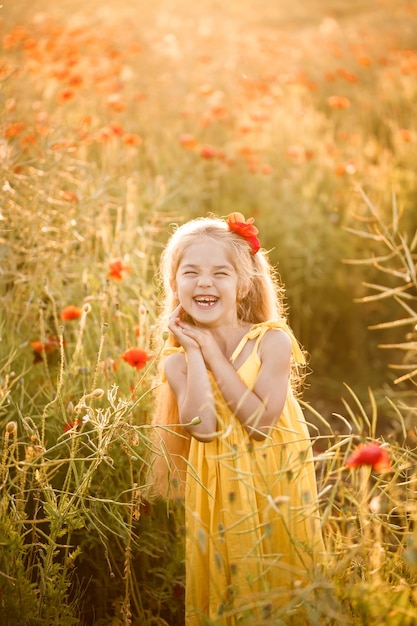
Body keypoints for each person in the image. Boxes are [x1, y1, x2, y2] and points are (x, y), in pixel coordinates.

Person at [149, 212, 325, 625]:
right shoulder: (178, 362)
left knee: (282, 575)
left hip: (276, 482)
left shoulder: (272, 341)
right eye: (190, 272)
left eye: (220, 273)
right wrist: (195, 353)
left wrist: (212, 354)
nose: (204, 283)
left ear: (243, 284)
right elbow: (204, 430)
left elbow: (260, 424)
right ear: (174, 285)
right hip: (220, 492)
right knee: (230, 581)